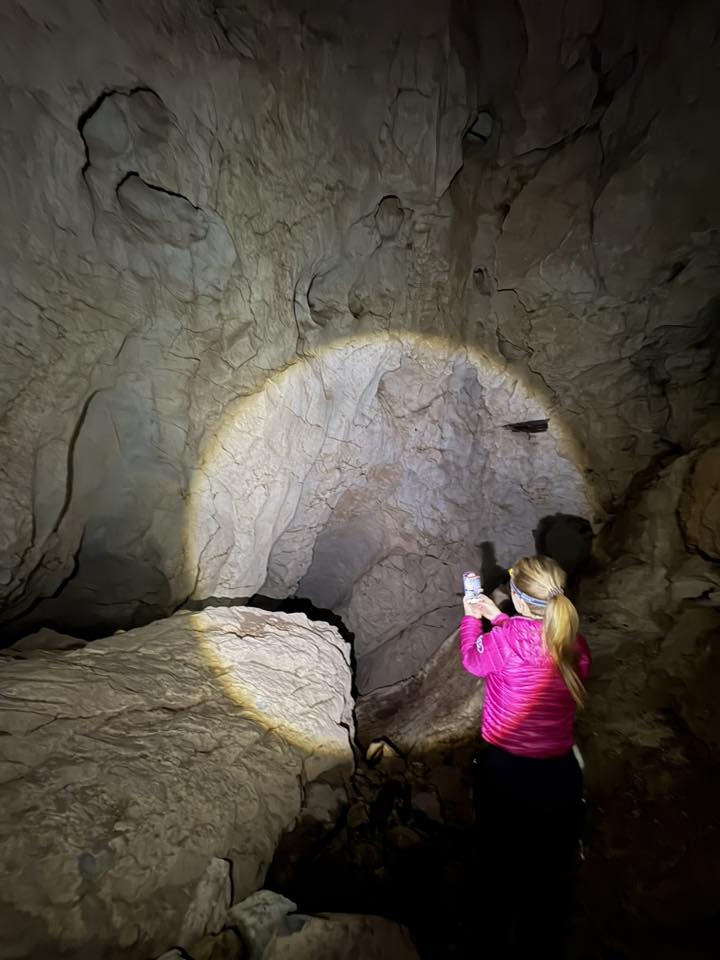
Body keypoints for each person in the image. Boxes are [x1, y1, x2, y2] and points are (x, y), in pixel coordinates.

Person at [459, 555, 591, 958]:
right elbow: (535, 644)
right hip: (559, 775)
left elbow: (473, 661)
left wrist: (473, 620)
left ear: (516, 598)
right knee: (549, 874)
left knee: (498, 865)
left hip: (507, 772)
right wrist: (499, 618)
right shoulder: (573, 642)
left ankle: (491, 941)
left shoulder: (504, 642)